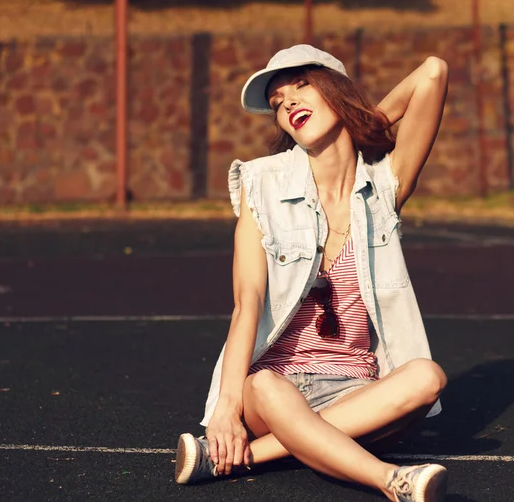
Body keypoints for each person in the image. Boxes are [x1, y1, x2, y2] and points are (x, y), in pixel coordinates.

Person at [174, 44, 450, 502]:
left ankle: (241, 457)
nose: (289, 103)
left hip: (362, 394)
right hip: (281, 392)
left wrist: (360, 122)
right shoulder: (261, 185)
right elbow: (248, 303)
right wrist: (226, 408)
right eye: (280, 103)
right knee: (261, 383)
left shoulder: (383, 188)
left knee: (427, 377)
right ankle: (391, 480)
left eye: (302, 86)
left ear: (336, 92)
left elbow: (433, 73)